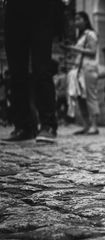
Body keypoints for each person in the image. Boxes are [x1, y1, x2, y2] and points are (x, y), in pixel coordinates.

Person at [2, 0, 61, 142]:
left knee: (41, 68)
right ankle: (23, 126)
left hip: (41, 8)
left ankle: (48, 125)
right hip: (13, 8)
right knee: (16, 72)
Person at [62, 11, 100, 135]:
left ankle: (94, 125)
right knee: (80, 98)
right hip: (78, 69)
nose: (76, 22)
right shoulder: (81, 35)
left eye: (78, 19)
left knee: (90, 96)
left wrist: (72, 48)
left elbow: (93, 51)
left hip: (88, 68)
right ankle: (86, 125)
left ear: (85, 20)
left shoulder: (90, 34)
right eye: (75, 19)